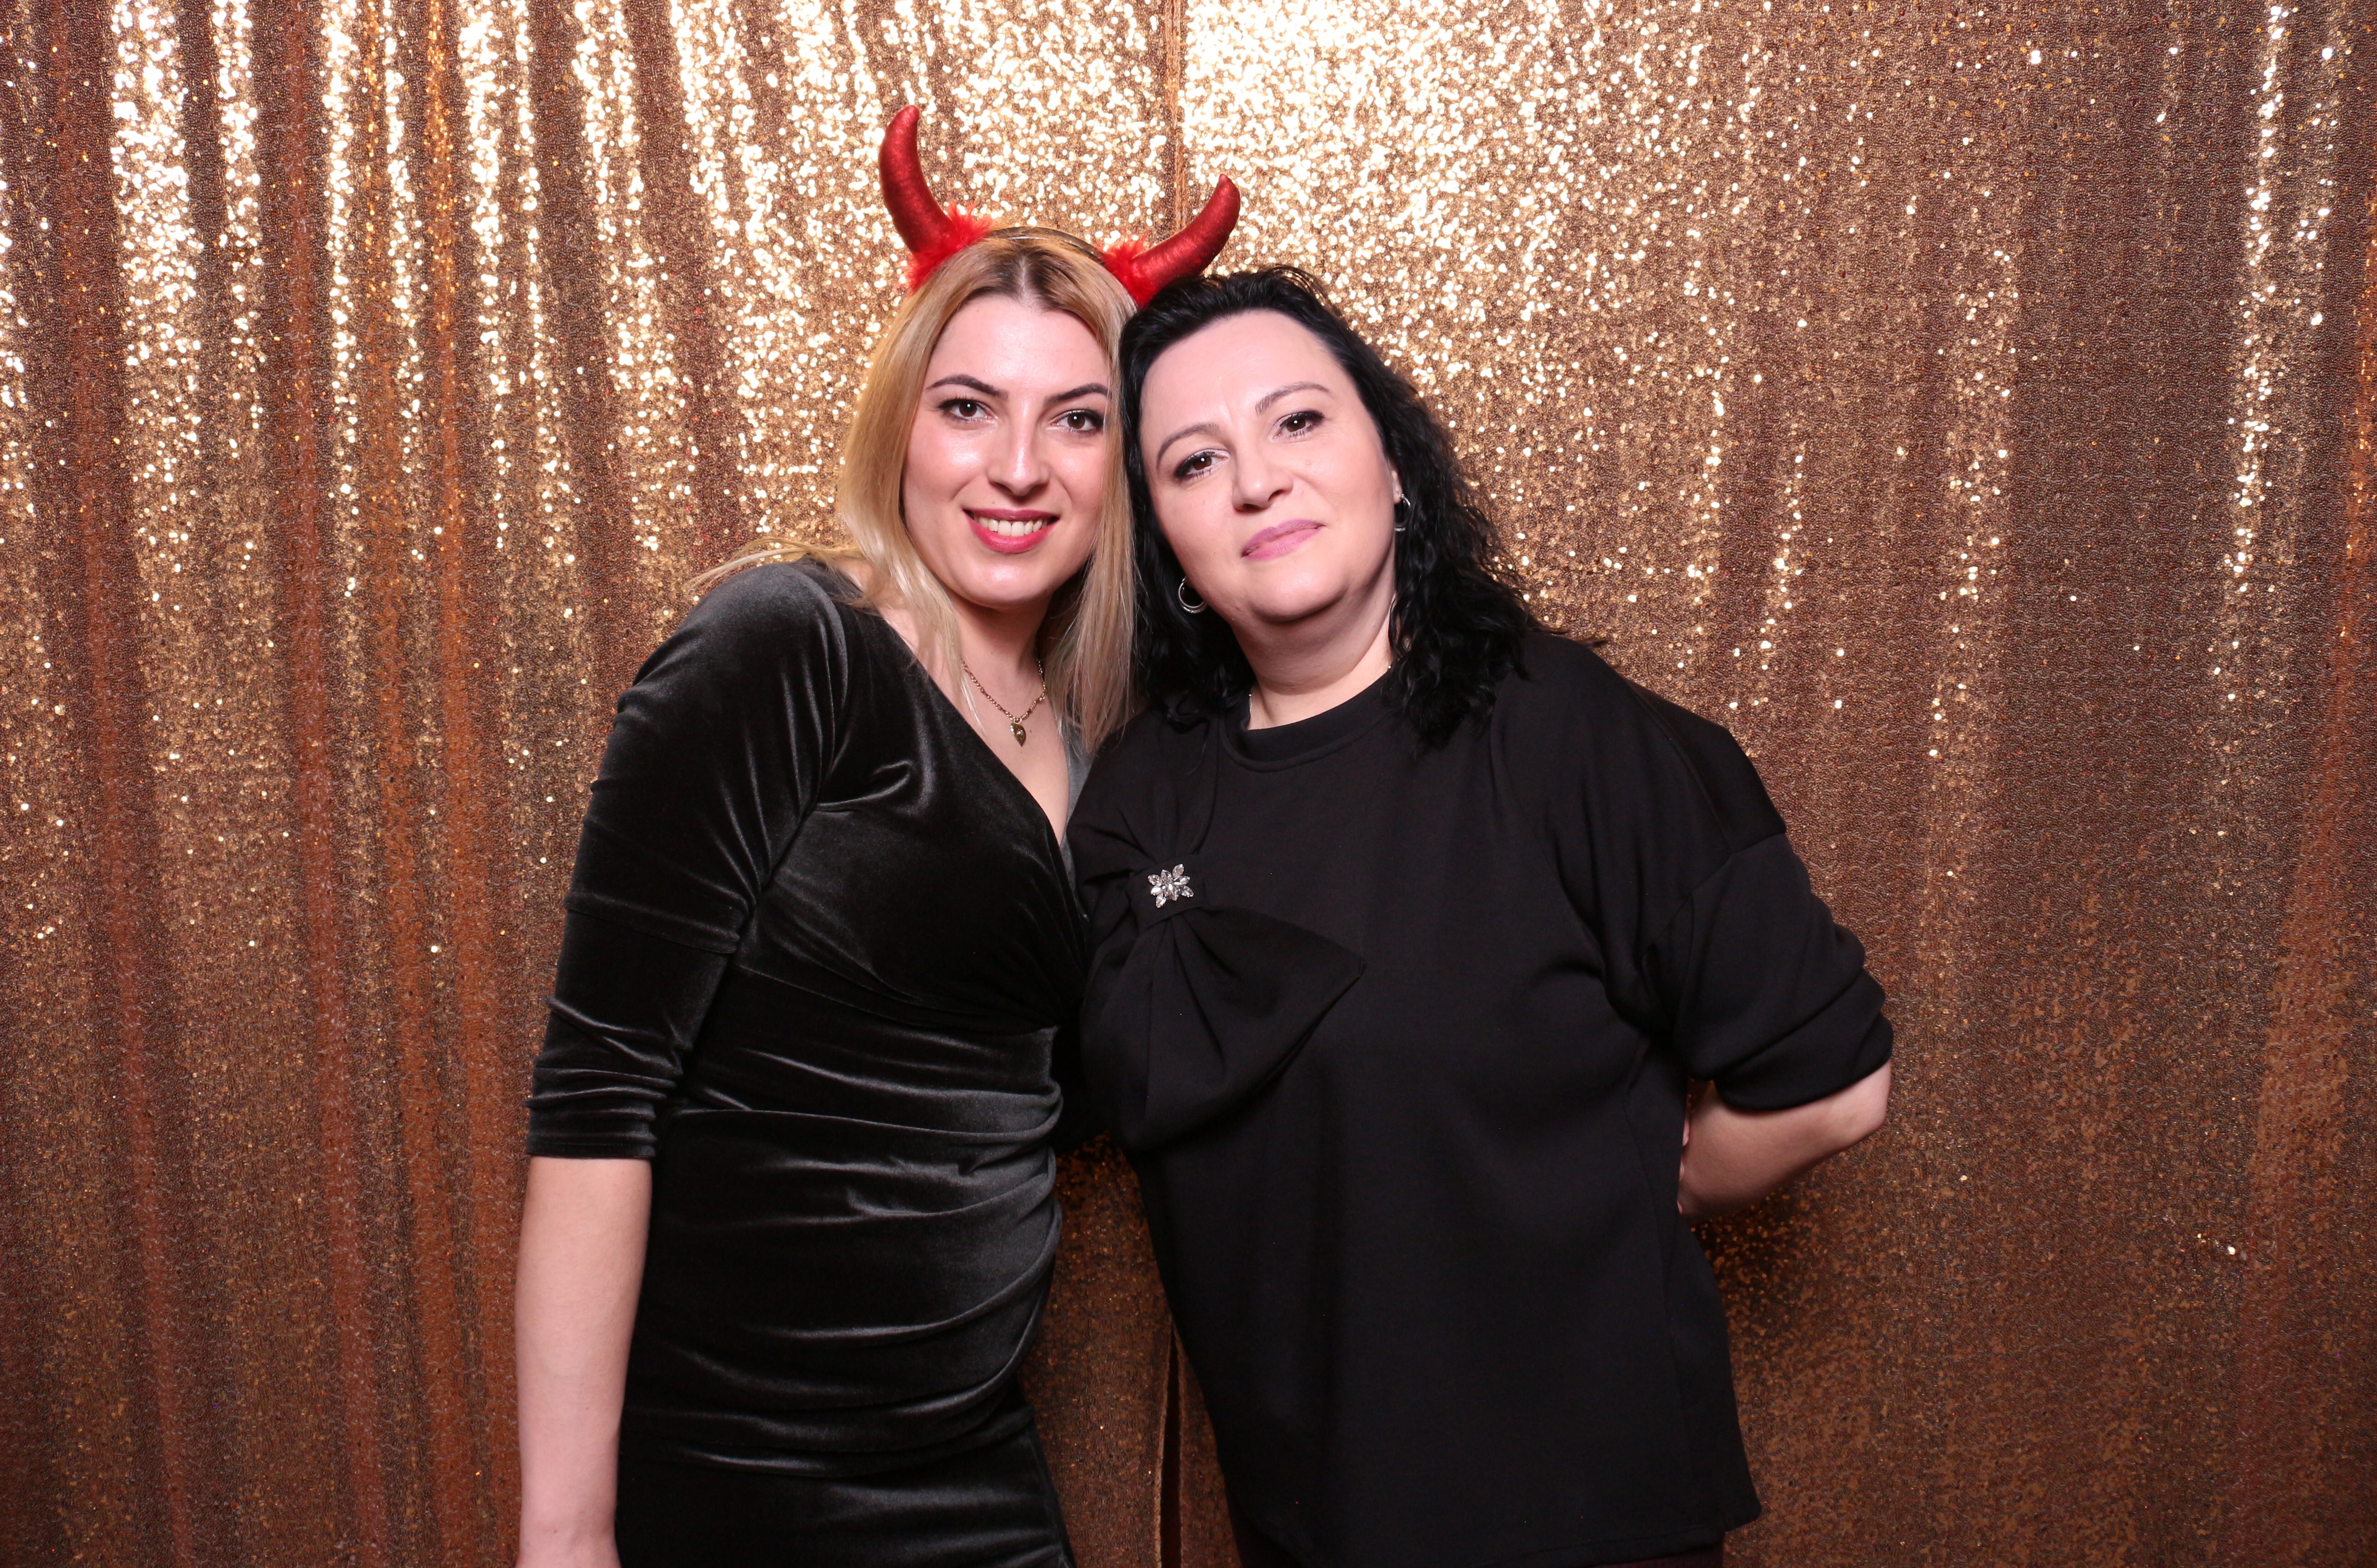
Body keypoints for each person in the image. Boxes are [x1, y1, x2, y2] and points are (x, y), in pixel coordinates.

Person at [1070, 267, 1894, 1568]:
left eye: (1298, 421)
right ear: (1162, 538)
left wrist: (1655, 1183)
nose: (1256, 482)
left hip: (1579, 1518)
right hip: (1305, 1520)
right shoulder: (1140, 793)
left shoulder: (1569, 736)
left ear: (1395, 465)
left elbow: (1835, 1083)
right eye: (1193, 461)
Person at [511, 109, 1237, 1568]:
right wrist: (565, 1534)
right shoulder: (787, 646)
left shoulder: (1112, 743)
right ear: (901, 420)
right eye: (969, 407)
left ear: (1128, 461)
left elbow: (1071, 1083)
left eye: (1077, 419)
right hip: (740, 1465)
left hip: (970, 1463)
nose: (1019, 466)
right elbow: (599, 1096)